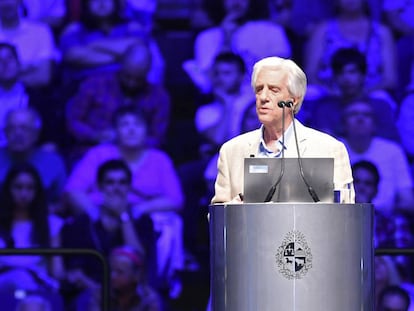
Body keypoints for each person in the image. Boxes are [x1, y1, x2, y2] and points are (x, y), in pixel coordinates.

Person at [63, 106, 185, 298]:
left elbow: (175, 199)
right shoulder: (99, 154)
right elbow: (73, 191)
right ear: (115, 130)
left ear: (147, 130)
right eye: (124, 124)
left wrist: (137, 209)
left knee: (170, 224)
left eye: (137, 124)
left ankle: (157, 283)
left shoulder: (159, 158)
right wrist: (97, 215)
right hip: (100, 216)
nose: (131, 129)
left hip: (141, 218)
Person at [211, 55, 354, 204]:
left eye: (274, 90)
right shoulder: (231, 151)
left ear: (294, 100)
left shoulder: (329, 149)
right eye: (259, 90)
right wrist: (240, 206)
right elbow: (218, 215)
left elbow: (346, 212)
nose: (263, 97)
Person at [60, 159, 157, 310]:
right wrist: (102, 292)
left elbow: (139, 260)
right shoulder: (82, 223)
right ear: (100, 187)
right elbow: (75, 272)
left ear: (129, 187)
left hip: (132, 292)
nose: (116, 188)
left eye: (122, 183)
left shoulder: (142, 221)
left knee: (154, 302)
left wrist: (123, 216)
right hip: (91, 290)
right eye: (110, 183)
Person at [65, 40, 171, 165]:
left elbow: (158, 138)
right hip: (92, 151)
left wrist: (131, 140)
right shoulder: (95, 84)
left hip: (139, 158)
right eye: (127, 77)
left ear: (148, 73)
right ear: (120, 66)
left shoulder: (159, 96)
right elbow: (73, 121)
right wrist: (95, 135)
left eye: (138, 79)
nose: (132, 83)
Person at [182, 0, 291, 94]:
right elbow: (208, 84)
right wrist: (226, 41)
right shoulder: (206, 38)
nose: (237, 2)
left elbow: (283, 77)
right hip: (221, 106)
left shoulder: (273, 32)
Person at [340, 99, 414, 213]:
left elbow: (408, 200)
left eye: (366, 115)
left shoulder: (393, 151)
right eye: (353, 114)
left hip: (385, 222)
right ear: (344, 124)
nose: (360, 118)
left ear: (375, 125)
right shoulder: (331, 150)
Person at [0, 162, 64, 292]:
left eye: (30, 188)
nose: (24, 194)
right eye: (18, 187)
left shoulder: (51, 224)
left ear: (37, 191)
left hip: (37, 288)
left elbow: (57, 271)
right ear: (8, 189)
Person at [0, 107, 67, 213]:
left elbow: (63, 203)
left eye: (24, 128)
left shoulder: (53, 162)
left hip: (42, 221)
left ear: (36, 134)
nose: (18, 133)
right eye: (12, 128)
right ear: (5, 133)